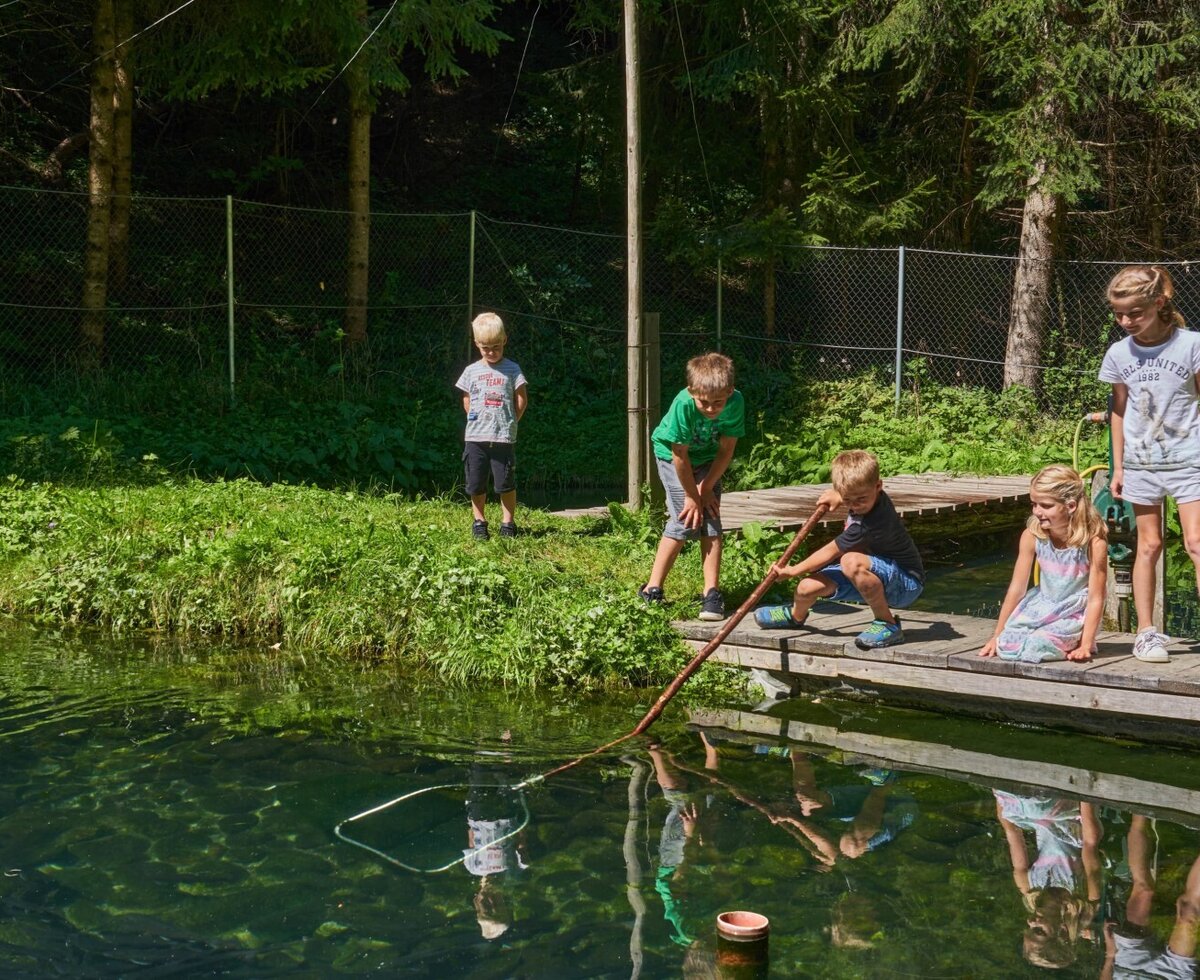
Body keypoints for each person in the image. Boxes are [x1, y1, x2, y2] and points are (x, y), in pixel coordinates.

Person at [1100, 265, 1200, 663]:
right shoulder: (1119, 353)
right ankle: (1146, 632)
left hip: (1189, 460)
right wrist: (1119, 467)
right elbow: (1119, 411)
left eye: (1134, 314)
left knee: (1195, 543)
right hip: (1142, 465)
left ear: (1159, 303)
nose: (1126, 322)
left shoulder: (1191, 344)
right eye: (1119, 314)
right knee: (1149, 545)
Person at [753, 449, 925, 649]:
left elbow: (830, 552)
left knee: (850, 560)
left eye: (860, 499)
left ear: (879, 486)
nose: (855, 505)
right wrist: (838, 495)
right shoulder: (869, 494)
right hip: (868, 580)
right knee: (806, 588)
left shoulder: (871, 523)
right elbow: (855, 491)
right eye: (848, 499)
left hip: (905, 583)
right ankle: (795, 616)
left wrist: (792, 571)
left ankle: (888, 624)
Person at [638, 352, 745, 621]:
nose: (710, 409)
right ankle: (653, 588)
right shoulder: (683, 404)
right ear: (691, 391)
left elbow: (727, 448)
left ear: (730, 391)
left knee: (711, 519)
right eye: (704, 403)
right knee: (686, 520)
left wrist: (706, 487)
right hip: (673, 457)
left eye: (717, 403)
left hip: (709, 460)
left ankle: (711, 594)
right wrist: (691, 495)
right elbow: (679, 455)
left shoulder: (736, 402)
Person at [979, 464, 1108, 663]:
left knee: (1036, 647)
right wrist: (997, 635)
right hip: (1042, 606)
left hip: (1073, 612)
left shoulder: (1093, 543)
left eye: (1046, 506)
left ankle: (1070, 642)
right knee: (1007, 644)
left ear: (1070, 506)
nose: (1038, 512)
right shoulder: (1032, 536)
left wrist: (1086, 643)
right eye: (1034, 504)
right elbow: (1017, 588)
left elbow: (1096, 598)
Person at [994, 791, 1103, 969]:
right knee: (1036, 809)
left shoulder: (1029, 889)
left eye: (1028, 928)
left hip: (1038, 817)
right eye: (1038, 931)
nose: (1030, 922)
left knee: (1017, 811)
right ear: (1061, 931)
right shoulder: (1085, 895)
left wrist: (999, 796)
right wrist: (1087, 798)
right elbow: (1090, 843)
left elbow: (1012, 831)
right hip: (1072, 816)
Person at [455, 312, 528, 541]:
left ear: (504, 340)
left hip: (503, 437)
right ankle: (479, 521)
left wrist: (511, 420)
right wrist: (475, 418)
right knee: (476, 483)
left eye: (496, 346)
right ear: (477, 344)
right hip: (476, 438)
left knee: (505, 482)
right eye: (485, 347)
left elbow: (521, 399)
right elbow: (466, 398)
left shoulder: (512, 369)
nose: (491, 352)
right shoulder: (471, 371)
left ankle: (508, 522)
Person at [1103, 814, 1200, 980]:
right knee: (1189, 916)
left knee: (1143, 890)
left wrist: (1110, 957)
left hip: (1128, 968)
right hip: (1171, 976)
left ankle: (1139, 809)